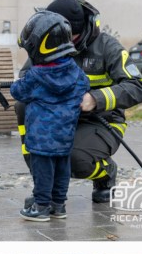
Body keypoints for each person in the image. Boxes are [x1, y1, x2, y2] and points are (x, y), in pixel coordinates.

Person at [15, 0, 142, 203]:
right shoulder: (48, 42)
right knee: (24, 107)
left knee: (73, 161)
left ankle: (106, 172)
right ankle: (44, 190)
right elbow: (26, 79)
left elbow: (138, 87)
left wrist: (96, 98)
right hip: (57, 118)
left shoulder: (107, 47)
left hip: (99, 122)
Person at [10, 12, 89, 221]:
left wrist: (17, 82)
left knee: (43, 171)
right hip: (65, 135)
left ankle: (41, 206)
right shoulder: (76, 73)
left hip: (41, 137)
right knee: (63, 167)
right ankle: (58, 205)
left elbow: (18, 92)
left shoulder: (35, 76)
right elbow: (85, 86)